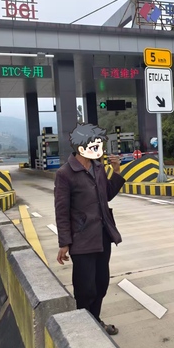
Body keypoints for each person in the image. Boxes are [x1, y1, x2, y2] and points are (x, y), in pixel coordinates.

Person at [54, 123, 125, 336]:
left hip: (103, 235)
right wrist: (64, 243)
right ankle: (85, 328)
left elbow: (107, 194)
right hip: (81, 238)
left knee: (101, 283)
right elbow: (61, 211)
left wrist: (117, 171)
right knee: (86, 288)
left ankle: (95, 321)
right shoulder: (65, 174)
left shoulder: (98, 167)